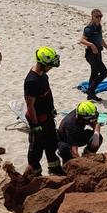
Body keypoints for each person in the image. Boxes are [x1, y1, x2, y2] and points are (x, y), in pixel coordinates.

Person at [24, 47, 64, 176]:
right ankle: (35, 173)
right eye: (49, 66)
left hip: (47, 116)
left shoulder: (43, 76)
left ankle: (54, 168)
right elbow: (30, 105)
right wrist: (35, 126)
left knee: (51, 144)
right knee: (36, 148)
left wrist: (51, 109)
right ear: (42, 64)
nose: (51, 68)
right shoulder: (31, 81)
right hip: (38, 119)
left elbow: (47, 93)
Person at [79, 9, 107, 102]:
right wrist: (91, 45)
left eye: (100, 16)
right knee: (104, 73)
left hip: (98, 53)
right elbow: (82, 40)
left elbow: (100, 39)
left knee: (94, 73)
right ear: (92, 17)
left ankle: (90, 94)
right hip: (91, 54)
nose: (99, 18)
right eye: (97, 16)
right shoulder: (89, 28)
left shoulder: (99, 27)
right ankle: (90, 91)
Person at [57, 101, 103, 165]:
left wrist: (96, 134)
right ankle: (66, 166)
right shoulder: (70, 124)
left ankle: (87, 156)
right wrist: (81, 164)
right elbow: (74, 151)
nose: (92, 121)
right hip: (65, 140)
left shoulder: (84, 114)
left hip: (78, 133)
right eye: (90, 119)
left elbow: (96, 124)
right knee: (66, 152)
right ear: (81, 118)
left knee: (99, 138)